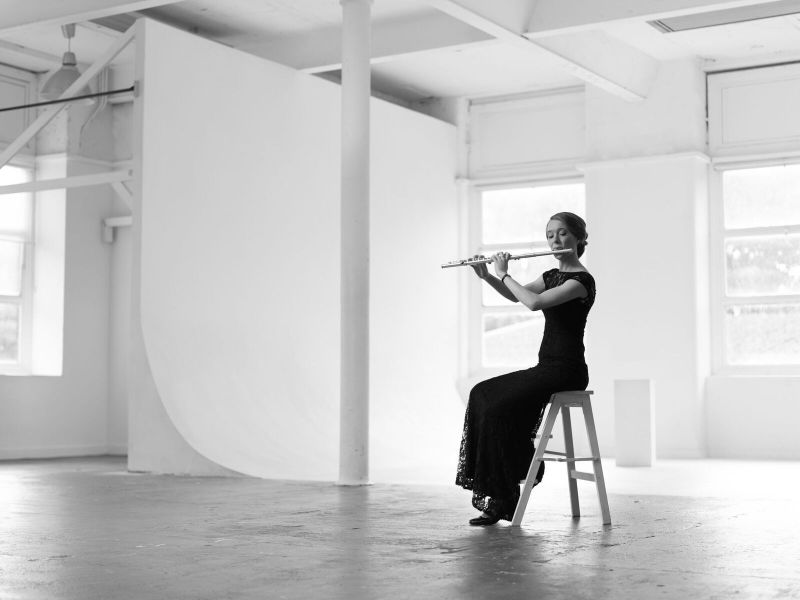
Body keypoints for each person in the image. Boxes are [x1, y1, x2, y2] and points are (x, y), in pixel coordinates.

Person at [455, 212, 595, 526]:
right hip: (546, 366)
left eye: (562, 234)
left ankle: (508, 488)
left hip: (567, 370)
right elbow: (515, 295)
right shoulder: (551, 275)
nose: (555, 241)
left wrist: (504, 273)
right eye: (550, 235)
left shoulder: (581, 282)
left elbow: (533, 302)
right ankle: (503, 489)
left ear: (578, 238)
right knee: (482, 394)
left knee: (499, 406)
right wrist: (487, 276)